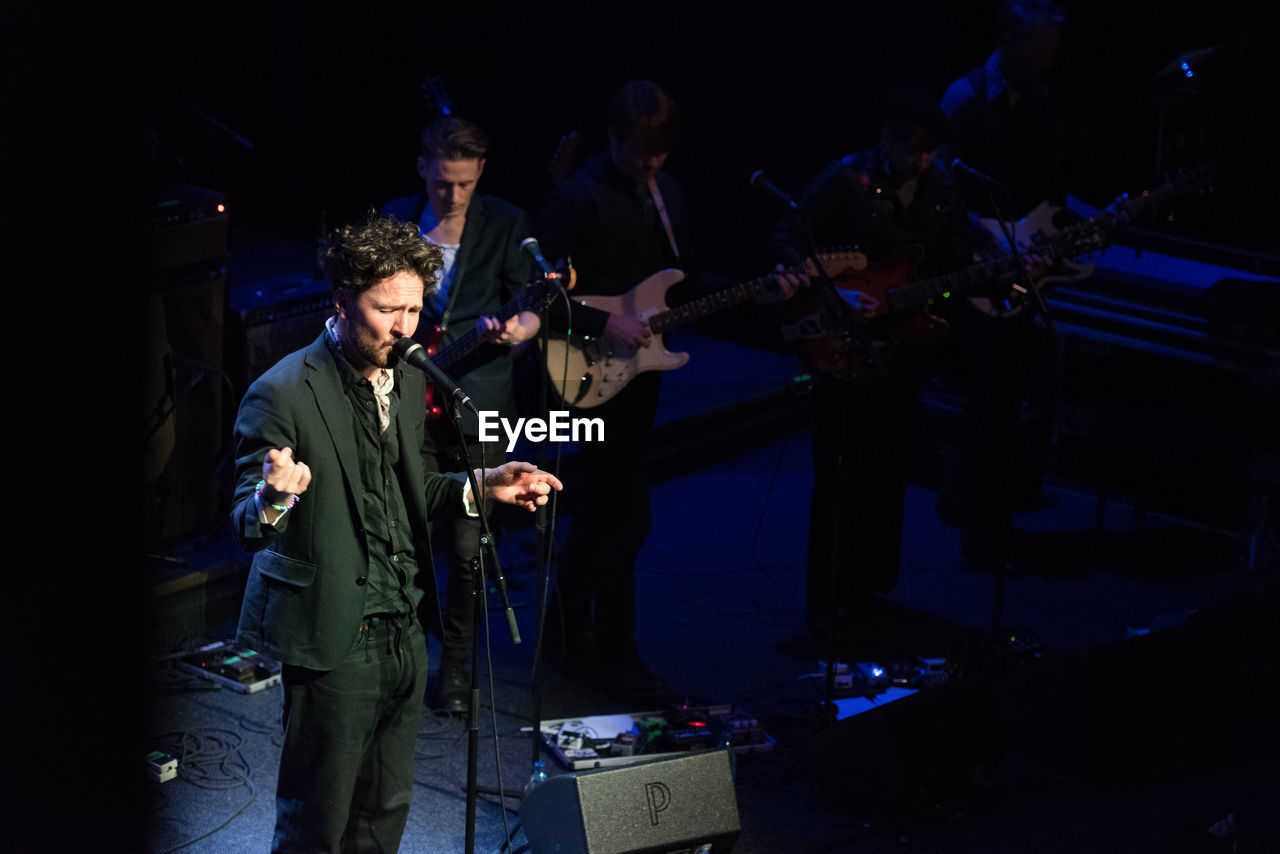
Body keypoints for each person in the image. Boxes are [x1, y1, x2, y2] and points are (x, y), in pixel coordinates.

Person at [229, 212, 562, 853]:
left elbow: (411, 494)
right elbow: (243, 529)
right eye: (387, 309)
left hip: (406, 629)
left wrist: (482, 483)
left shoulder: (410, 379)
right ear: (342, 302)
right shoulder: (282, 393)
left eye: (413, 309)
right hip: (333, 634)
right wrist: (274, 499)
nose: (404, 327)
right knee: (316, 823)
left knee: (384, 815)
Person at [533, 79, 801, 700]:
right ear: (614, 137)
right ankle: (613, 651)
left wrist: (755, 291)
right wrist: (607, 322)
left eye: (660, 151)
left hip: (638, 375)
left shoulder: (667, 193)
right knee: (620, 513)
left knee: (610, 512)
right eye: (638, 150)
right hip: (585, 366)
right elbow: (539, 294)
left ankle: (568, 636)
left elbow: (681, 281)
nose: (650, 163)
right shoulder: (576, 199)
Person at [772, 93, 976, 650]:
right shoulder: (847, 178)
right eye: (914, 149)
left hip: (903, 349)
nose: (923, 161)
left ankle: (864, 592)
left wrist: (978, 280)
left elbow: (956, 266)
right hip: (842, 341)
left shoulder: (943, 189)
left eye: (932, 151)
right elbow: (788, 235)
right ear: (888, 136)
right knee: (835, 474)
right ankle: (823, 602)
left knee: (886, 473)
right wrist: (834, 293)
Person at [381, 115, 541, 713]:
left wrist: (514, 331)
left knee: (470, 548)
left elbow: (532, 309)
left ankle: (454, 671)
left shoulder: (506, 223)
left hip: (478, 402)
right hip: (408, 402)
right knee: (406, 535)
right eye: (443, 182)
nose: (452, 196)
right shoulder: (395, 219)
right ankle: (400, 660)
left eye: (464, 185)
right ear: (423, 166)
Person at [936, 0, 1085, 571]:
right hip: (972, 267)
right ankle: (976, 524)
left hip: (1019, 263)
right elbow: (943, 189)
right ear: (1008, 41)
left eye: (1052, 54)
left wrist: (1062, 229)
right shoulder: (966, 97)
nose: (1046, 65)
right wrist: (990, 240)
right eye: (1038, 52)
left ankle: (989, 516)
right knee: (988, 391)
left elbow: (1046, 186)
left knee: (1010, 394)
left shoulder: (1042, 103)